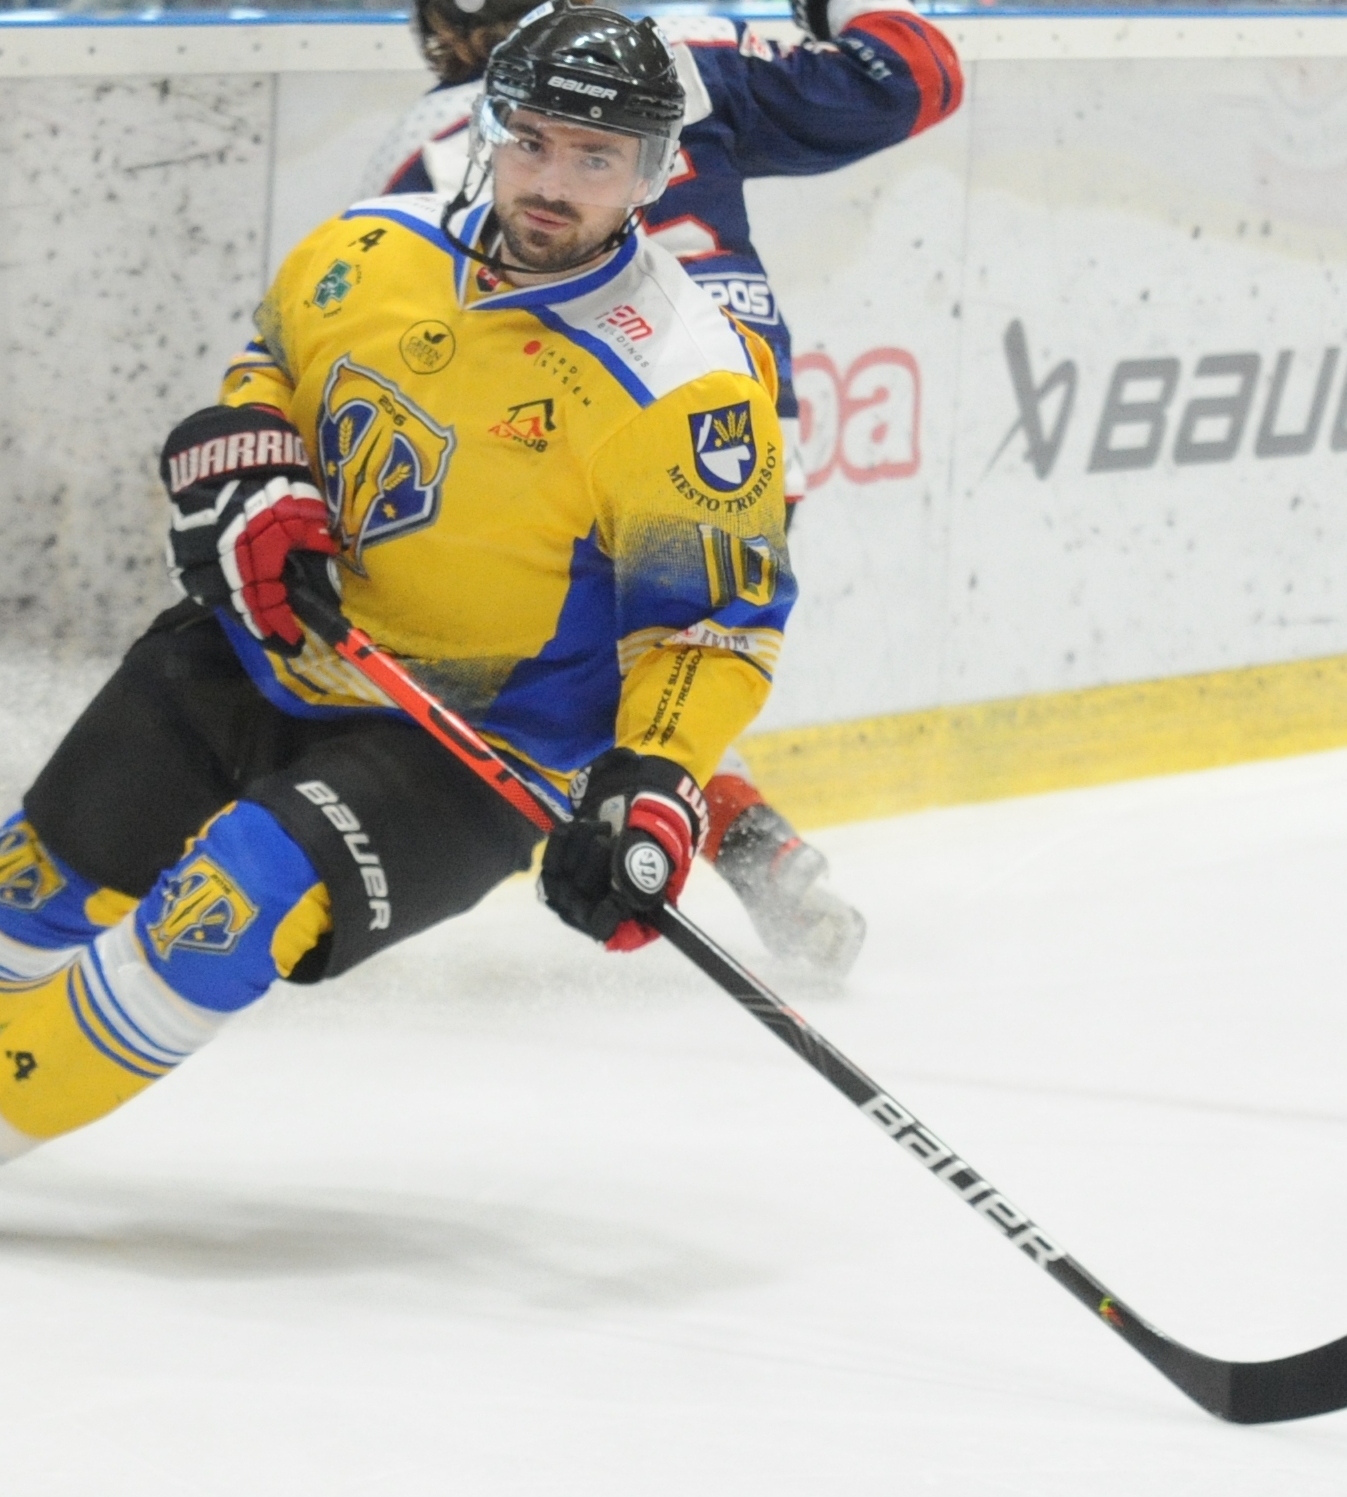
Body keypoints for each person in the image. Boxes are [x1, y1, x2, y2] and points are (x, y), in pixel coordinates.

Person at [0, 3, 795, 1248]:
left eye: (596, 157)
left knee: (228, 903)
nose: (554, 181)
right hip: (275, 640)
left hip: (479, 741)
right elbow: (268, 373)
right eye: (536, 140)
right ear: (493, 128)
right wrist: (254, 464)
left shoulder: (686, 384)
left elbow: (712, 629)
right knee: (43, 867)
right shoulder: (366, 250)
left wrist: (650, 787)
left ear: (653, 171)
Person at [374, 0, 962, 977]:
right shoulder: (682, 57)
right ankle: (750, 844)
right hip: (736, 443)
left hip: (562, 461)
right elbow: (917, 77)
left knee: (570, 689)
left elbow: (381, 347)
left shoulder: (436, 138)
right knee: (666, 663)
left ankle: (707, 839)